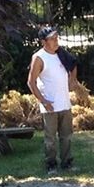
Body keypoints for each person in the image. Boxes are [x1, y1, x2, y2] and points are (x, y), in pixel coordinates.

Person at [26, 26, 80, 173]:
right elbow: (31, 82)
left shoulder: (61, 53)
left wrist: (73, 80)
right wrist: (43, 100)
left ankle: (67, 162)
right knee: (50, 138)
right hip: (50, 104)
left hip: (64, 103)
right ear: (44, 41)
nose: (56, 41)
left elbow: (73, 64)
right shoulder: (39, 57)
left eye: (57, 38)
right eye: (52, 39)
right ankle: (51, 164)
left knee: (67, 136)